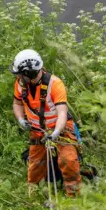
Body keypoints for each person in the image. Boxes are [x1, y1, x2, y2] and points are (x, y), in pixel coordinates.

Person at [11, 49, 81, 197]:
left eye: (21, 74)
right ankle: (33, 193)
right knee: (35, 164)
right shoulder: (20, 84)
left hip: (61, 130)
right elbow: (17, 104)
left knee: (68, 160)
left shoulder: (55, 84)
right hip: (37, 131)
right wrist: (21, 120)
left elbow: (62, 112)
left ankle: (73, 196)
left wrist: (56, 132)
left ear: (29, 74)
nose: (18, 77)